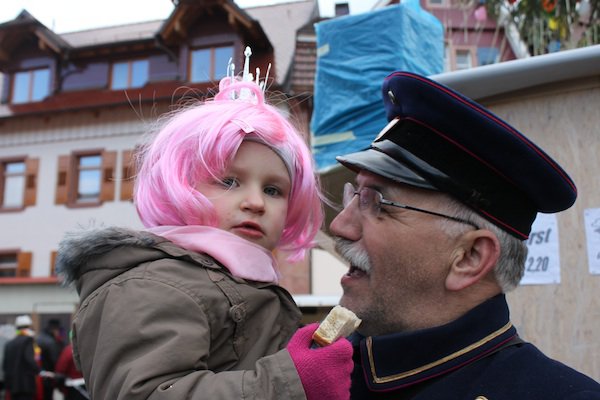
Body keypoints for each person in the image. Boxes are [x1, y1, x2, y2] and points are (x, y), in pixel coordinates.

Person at [56, 50, 352, 400]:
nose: (255, 202)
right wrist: (291, 381)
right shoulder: (153, 284)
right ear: (178, 184)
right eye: (228, 182)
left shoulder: (242, 282)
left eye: (273, 189)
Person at [329, 71, 600, 399]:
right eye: (355, 195)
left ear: (469, 258)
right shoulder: (312, 371)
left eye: (378, 203)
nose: (340, 225)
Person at [2, 315, 40, 400]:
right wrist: (39, 370)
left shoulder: (9, 344)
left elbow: (5, 366)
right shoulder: (28, 341)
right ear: (29, 326)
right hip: (25, 386)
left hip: (12, 387)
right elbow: (30, 360)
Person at [36, 319, 65, 400]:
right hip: (49, 378)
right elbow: (55, 361)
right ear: (55, 330)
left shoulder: (38, 338)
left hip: (38, 376)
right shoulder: (51, 343)